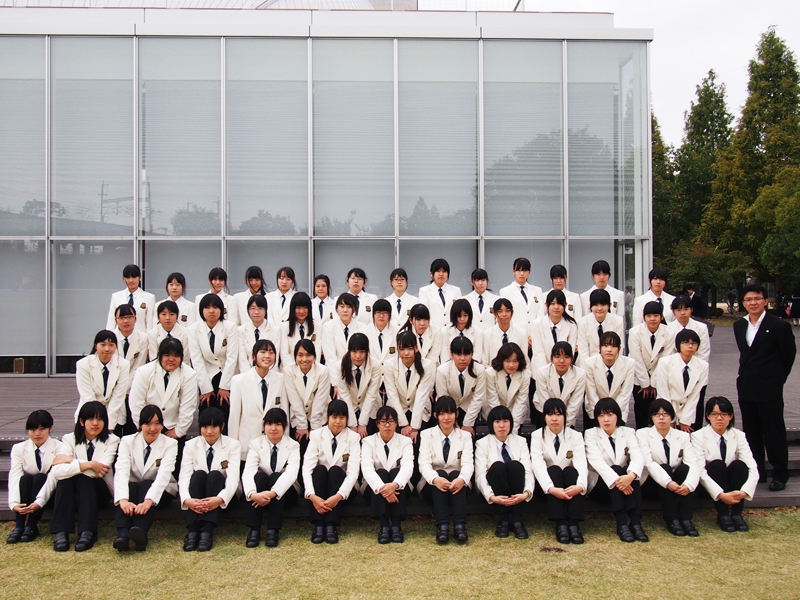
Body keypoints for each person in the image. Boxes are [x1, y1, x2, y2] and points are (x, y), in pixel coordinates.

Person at [733, 282, 796, 490]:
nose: (753, 303)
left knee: (773, 431)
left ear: (765, 301)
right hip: (747, 385)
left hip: (770, 387)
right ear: (743, 303)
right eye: (748, 299)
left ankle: (780, 473)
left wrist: (777, 379)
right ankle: (757, 471)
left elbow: (788, 356)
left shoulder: (779, 326)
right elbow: (745, 354)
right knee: (751, 431)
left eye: (757, 299)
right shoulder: (739, 325)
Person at [49, 402, 120, 552]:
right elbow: (57, 472)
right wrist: (89, 464)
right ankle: (61, 532)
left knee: (83, 478)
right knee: (64, 479)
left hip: (100, 492)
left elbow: (100, 470)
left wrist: (70, 461)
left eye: (100, 419)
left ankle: (88, 532)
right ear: (81, 421)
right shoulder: (69, 439)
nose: (95, 423)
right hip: (73, 493)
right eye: (91, 419)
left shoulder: (112, 440)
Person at [112, 405, 178, 551]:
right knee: (131, 486)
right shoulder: (127, 441)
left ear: (162, 425)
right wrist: (123, 500)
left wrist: (149, 501)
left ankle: (140, 531)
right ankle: (122, 533)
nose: (153, 428)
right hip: (134, 490)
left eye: (157, 423)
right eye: (148, 424)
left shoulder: (170, 444)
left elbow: (163, 475)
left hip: (162, 491)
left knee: (147, 484)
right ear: (140, 425)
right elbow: (121, 470)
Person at [128, 337, 197, 474]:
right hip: (147, 427)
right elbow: (136, 403)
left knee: (173, 472)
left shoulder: (189, 374)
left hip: (172, 428)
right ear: (159, 355)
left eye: (176, 355)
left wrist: (179, 431)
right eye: (167, 355)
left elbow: (188, 406)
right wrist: (145, 427)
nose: (171, 359)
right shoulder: (144, 371)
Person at [585, 397, 648, 543]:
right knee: (617, 469)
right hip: (600, 486)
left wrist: (630, 476)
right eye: (601, 415)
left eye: (610, 414)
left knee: (632, 471)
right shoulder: (591, 433)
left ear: (617, 416)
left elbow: (637, 455)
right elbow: (597, 462)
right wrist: (620, 481)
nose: (606, 419)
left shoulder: (628, 432)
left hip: (625, 485)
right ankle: (621, 524)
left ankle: (636, 523)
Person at [693, 396, 759, 532]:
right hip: (709, 486)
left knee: (739, 465)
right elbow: (700, 471)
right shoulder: (698, 436)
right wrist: (721, 494)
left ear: (730, 416)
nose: (719, 418)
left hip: (732, 484)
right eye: (714, 414)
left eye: (724, 414)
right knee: (717, 465)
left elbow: (752, 467)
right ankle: (723, 515)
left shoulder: (739, 435)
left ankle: (736, 514)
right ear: (708, 416)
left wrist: (744, 492)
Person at [179, 407, 241, 552]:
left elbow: (233, 479)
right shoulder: (190, 445)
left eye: (214, 426)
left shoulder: (233, 445)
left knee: (214, 475)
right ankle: (193, 531)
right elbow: (184, 475)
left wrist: (219, 499)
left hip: (225, 497)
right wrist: (187, 500)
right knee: (199, 475)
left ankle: (207, 532)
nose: (209, 431)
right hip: (198, 497)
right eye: (205, 427)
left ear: (222, 426)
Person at [636, 399, 700, 537]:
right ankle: (672, 519)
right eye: (657, 414)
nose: (661, 418)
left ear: (672, 417)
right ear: (651, 417)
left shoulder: (683, 436)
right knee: (664, 468)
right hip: (652, 483)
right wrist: (668, 482)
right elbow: (648, 463)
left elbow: (693, 463)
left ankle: (686, 519)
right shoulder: (642, 434)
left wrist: (688, 485)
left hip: (676, 485)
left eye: (665, 414)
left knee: (685, 469)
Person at [302, 399, 361, 544]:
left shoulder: (353, 438)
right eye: (334, 417)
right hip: (319, 491)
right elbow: (307, 469)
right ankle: (319, 525)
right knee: (320, 470)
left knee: (335, 470)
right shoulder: (316, 435)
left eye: (342, 417)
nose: (338, 422)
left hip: (343, 491)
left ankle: (331, 526)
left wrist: (338, 496)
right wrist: (312, 496)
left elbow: (353, 472)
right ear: (327, 417)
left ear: (347, 419)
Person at [530, 398, 588, 544]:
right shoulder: (537, 436)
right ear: (544, 417)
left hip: (569, 486)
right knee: (554, 469)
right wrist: (551, 488)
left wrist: (580, 486)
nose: (554, 419)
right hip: (547, 488)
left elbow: (581, 463)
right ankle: (561, 524)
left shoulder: (576, 436)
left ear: (566, 416)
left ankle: (573, 525)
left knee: (571, 471)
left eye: (558, 414)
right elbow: (537, 465)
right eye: (550, 414)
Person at [418, 396, 474, 544]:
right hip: (432, 486)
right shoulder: (426, 434)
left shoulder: (465, 436)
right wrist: (435, 479)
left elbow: (468, 464)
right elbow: (424, 464)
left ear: (457, 414)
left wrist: (461, 479)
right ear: (435, 415)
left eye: (450, 413)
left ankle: (460, 526)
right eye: (442, 414)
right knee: (440, 473)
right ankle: (442, 526)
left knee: (455, 473)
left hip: (458, 486)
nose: (446, 418)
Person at [241, 408, 301, 548]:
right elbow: (248, 472)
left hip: (286, 494)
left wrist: (273, 492)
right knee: (260, 477)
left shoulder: (293, 445)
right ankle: (254, 530)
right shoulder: (255, 444)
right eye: (269, 424)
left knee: (276, 477)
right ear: (264, 426)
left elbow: (291, 474)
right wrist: (253, 494)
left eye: (278, 424)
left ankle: (273, 530)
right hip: (260, 495)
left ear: (285, 426)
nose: (273, 428)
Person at [474, 405, 534, 539]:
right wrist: (492, 497)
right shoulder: (482, 443)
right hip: (495, 490)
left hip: (517, 489)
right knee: (498, 466)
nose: (502, 425)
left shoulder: (521, 441)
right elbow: (480, 475)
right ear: (491, 424)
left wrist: (526, 493)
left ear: (511, 423)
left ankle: (517, 520)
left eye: (505, 421)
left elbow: (528, 471)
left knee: (515, 466)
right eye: (497, 421)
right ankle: (504, 520)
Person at [228, 339, 289, 467]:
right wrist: (232, 449)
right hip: (247, 444)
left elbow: (284, 414)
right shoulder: (239, 381)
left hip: (272, 444)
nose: (267, 356)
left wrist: (285, 445)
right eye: (263, 352)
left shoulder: (280, 379)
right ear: (253, 356)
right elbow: (234, 417)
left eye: (271, 352)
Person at [7, 410, 63, 544]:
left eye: (42, 429)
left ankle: (32, 525)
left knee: (40, 478)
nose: (37, 433)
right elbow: (15, 475)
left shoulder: (60, 447)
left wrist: (39, 502)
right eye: (33, 429)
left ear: (50, 428)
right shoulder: (18, 448)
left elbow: (54, 477)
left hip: (49, 494)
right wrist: (14, 503)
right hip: (27, 492)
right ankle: (19, 525)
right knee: (25, 479)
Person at [360, 406, 414, 544]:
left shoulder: (405, 442)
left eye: (391, 421)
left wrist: (394, 485)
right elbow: (367, 468)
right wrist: (384, 489)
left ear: (396, 423)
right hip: (373, 490)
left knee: (396, 472)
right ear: (377, 424)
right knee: (382, 473)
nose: (387, 425)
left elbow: (408, 467)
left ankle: (396, 526)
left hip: (399, 489)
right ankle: (384, 526)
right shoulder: (368, 442)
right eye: (383, 421)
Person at [188, 293, 239, 427]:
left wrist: (224, 386)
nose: (211, 311)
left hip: (225, 375)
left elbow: (232, 357)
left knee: (225, 412)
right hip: (206, 376)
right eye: (207, 307)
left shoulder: (230, 327)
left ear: (221, 310)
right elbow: (196, 360)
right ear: (201, 310)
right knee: (206, 413)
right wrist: (206, 388)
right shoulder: (193, 329)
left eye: (215, 307)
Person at [382, 330, 437, 441]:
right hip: (397, 409)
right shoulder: (389, 365)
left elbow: (421, 396)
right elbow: (392, 395)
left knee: (418, 441)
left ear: (416, 348)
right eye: (402, 349)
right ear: (397, 350)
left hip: (420, 410)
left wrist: (415, 427)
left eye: (410, 349)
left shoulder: (427, 365)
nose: (406, 353)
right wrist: (404, 424)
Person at [628, 301, 675, 430]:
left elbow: (665, 359)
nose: (652, 319)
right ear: (644, 317)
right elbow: (636, 358)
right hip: (639, 377)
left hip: (660, 377)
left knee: (659, 411)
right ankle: (641, 435)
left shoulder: (669, 333)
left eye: (656, 315)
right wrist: (645, 384)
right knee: (641, 409)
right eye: (649, 316)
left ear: (662, 317)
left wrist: (653, 384)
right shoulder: (634, 332)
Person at [652, 329, 709, 432]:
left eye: (694, 343)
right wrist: (670, 418)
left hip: (689, 412)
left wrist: (685, 420)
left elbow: (695, 395)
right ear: (678, 345)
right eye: (686, 343)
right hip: (666, 410)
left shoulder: (703, 366)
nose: (690, 346)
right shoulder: (665, 362)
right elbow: (663, 392)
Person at [74, 330, 130, 433]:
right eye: (103, 345)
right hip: (88, 415)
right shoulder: (83, 364)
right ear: (96, 346)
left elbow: (118, 396)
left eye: (111, 345)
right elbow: (87, 395)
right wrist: (97, 420)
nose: (107, 349)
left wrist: (109, 424)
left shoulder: (124, 365)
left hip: (115, 416)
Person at [435, 336, 486, 436]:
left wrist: (468, 424)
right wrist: (453, 423)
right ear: (451, 354)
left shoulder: (480, 370)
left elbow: (478, 398)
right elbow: (443, 397)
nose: (462, 358)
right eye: (458, 354)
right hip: (448, 411)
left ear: (472, 354)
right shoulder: (442, 370)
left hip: (470, 410)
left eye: (466, 354)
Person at [582, 331, 634, 429]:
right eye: (605, 346)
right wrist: (602, 414)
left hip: (619, 410)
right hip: (595, 410)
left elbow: (625, 393)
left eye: (613, 346)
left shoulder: (629, 364)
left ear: (619, 349)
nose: (609, 350)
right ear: (599, 347)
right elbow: (591, 394)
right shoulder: (589, 363)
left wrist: (613, 413)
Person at [283, 339, 332, 442]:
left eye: (308, 355)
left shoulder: (323, 371)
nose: (304, 359)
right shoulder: (288, 371)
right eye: (300, 355)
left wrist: (315, 427)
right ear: (295, 356)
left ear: (314, 356)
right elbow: (294, 400)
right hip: (298, 418)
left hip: (320, 417)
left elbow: (320, 401)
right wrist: (302, 425)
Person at [336, 333, 381, 437]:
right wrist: (352, 424)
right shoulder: (340, 366)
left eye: (362, 352)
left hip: (370, 409)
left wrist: (362, 423)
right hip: (349, 407)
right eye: (354, 351)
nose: (358, 356)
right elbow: (344, 395)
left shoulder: (375, 365)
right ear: (349, 351)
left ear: (367, 351)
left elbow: (371, 394)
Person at [533, 342, 586, 429]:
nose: (562, 361)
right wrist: (553, 420)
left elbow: (575, 403)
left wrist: (564, 424)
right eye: (557, 357)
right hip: (544, 412)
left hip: (568, 414)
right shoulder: (542, 372)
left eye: (566, 357)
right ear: (552, 358)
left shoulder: (580, 374)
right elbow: (544, 400)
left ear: (572, 359)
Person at [485, 342, 530, 435]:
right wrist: (501, 422)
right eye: (507, 361)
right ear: (501, 360)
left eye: (515, 361)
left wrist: (513, 428)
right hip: (494, 413)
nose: (511, 365)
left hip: (516, 414)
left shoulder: (526, 375)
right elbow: (493, 399)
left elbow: (521, 402)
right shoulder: (490, 373)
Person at [529, 290, 578, 372]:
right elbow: (538, 353)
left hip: (563, 370)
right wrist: (547, 374)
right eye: (552, 303)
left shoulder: (572, 325)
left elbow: (570, 352)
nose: (556, 307)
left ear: (565, 305)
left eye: (559, 304)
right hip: (541, 371)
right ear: (546, 305)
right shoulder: (536, 324)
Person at [576, 288, 625, 366]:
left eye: (603, 304)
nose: (599, 308)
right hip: (589, 366)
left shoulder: (618, 321)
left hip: (611, 364)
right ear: (590, 306)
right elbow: (583, 353)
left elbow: (619, 349)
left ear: (609, 305)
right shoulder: (582, 323)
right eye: (595, 305)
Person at [237, 294, 282, 375]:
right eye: (253, 308)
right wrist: (249, 377)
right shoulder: (241, 330)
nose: (256, 312)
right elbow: (242, 359)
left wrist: (265, 376)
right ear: (248, 311)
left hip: (269, 374)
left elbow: (274, 358)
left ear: (266, 311)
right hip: (247, 375)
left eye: (260, 308)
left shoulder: (275, 330)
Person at [479, 298, 528, 369]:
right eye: (500, 311)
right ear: (495, 314)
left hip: (516, 374)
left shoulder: (521, 333)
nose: (504, 314)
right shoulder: (487, 334)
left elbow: (525, 361)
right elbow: (484, 362)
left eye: (507, 311)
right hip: (494, 374)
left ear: (512, 313)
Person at [106, 263, 155, 332]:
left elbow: (149, 324)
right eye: (128, 277)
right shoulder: (116, 296)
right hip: (120, 335)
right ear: (124, 279)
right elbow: (111, 322)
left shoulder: (149, 298)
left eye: (134, 277)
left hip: (140, 336)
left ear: (140, 277)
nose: (131, 280)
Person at [499, 257, 544, 331]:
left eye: (525, 270)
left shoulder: (537, 290)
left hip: (535, 332)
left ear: (529, 272)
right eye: (519, 270)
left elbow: (540, 313)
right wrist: (520, 332)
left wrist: (534, 332)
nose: (522, 274)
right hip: (515, 332)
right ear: (513, 271)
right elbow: (507, 314)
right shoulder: (505, 291)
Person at [321, 292, 364, 370]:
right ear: (337, 309)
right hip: (334, 371)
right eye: (342, 306)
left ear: (354, 309)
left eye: (349, 307)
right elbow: (330, 358)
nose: (345, 310)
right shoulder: (328, 327)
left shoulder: (362, 327)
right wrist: (337, 377)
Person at [418, 258, 463, 329]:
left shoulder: (456, 291)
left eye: (444, 271)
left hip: (452, 330)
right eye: (438, 271)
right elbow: (424, 314)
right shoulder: (424, 291)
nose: (441, 274)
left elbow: (459, 313)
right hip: (433, 331)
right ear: (431, 274)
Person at [281, 292, 319, 369]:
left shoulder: (318, 326)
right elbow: (284, 354)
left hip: (312, 370)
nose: (302, 311)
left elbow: (317, 352)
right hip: (290, 371)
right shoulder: (284, 327)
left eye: (305, 307)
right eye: (298, 307)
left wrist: (308, 369)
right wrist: (296, 370)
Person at [439, 298, 484, 365]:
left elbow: (477, 358)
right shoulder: (444, 332)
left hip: (471, 368)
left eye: (465, 315)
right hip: (450, 369)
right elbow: (444, 359)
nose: (462, 319)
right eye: (459, 316)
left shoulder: (478, 332)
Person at [668, 295, 711, 363]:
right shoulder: (668, 329)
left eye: (686, 309)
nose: (682, 313)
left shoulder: (701, 328)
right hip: (674, 366)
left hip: (697, 365)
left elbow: (703, 353)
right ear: (673, 312)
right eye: (678, 310)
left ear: (691, 309)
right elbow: (669, 353)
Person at [365, 298, 397, 370]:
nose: (381, 316)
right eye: (378, 312)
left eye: (385, 313)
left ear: (390, 315)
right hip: (371, 373)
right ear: (373, 315)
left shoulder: (397, 332)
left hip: (391, 373)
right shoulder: (365, 332)